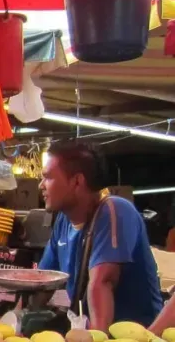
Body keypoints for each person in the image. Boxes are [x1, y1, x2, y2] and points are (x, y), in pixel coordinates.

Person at [39, 140, 163, 331]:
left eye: (48, 177)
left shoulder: (114, 210)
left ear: (77, 181)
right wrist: (14, 323)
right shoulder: (63, 222)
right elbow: (42, 282)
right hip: (91, 336)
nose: (41, 185)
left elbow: (102, 282)